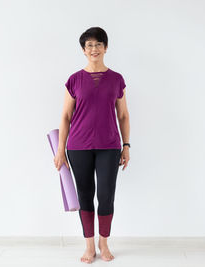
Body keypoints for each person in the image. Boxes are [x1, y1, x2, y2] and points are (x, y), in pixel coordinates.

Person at [54, 26, 130, 264]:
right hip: (78, 147)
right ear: (83, 50)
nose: (94, 49)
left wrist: (126, 145)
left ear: (106, 48)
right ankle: (89, 245)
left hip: (109, 146)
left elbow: (124, 115)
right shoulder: (74, 80)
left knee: (106, 196)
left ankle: (103, 242)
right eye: (89, 45)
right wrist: (60, 150)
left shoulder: (116, 79)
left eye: (98, 44)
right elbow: (66, 116)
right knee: (85, 196)